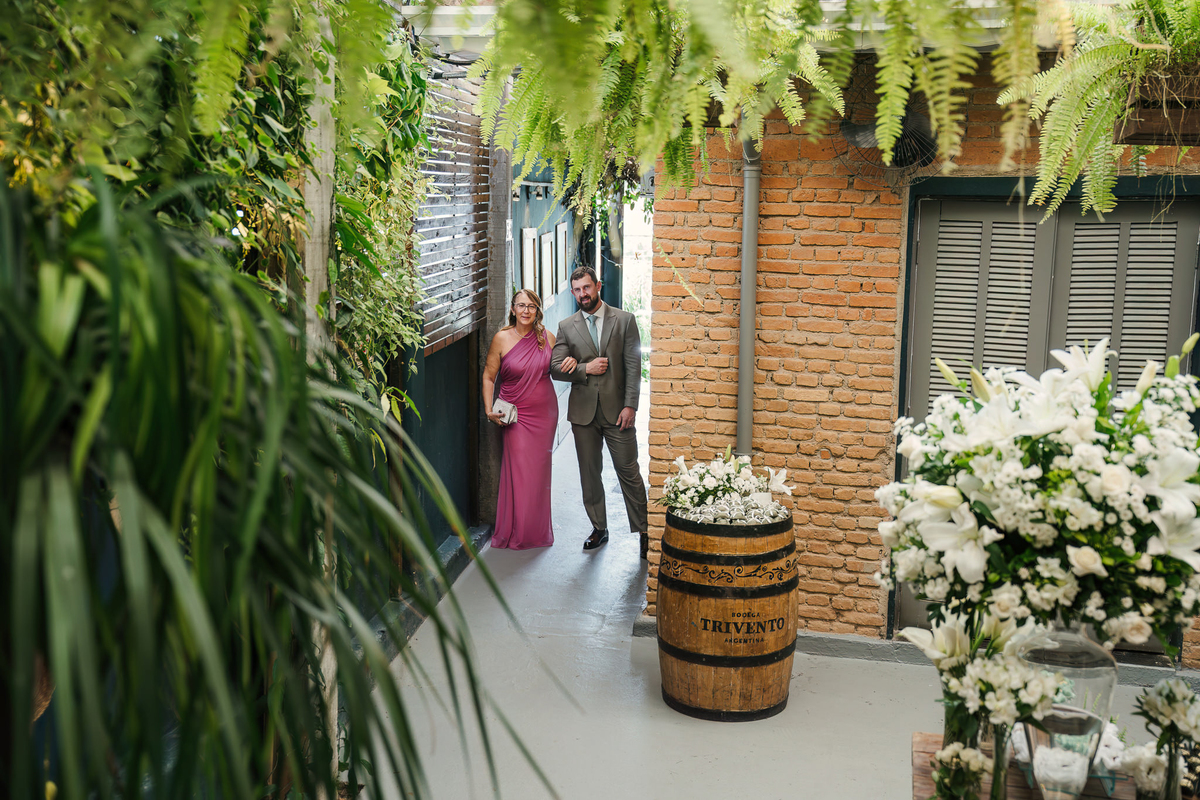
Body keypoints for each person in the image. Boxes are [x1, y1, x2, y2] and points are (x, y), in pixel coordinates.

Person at [550, 267, 649, 557]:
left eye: (587, 287)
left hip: (618, 412)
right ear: (573, 292)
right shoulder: (567, 326)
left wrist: (630, 405)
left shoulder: (625, 320)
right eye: (577, 290)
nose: (583, 294)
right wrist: (585, 368)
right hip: (583, 414)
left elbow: (634, 367)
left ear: (598, 286)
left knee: (629, 472)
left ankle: (645, 531)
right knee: (590, 474)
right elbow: (555, 368)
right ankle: (599, 528)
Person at [483, 290, 558, 549]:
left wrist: (572, 362)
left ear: (537, 311)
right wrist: (488, 409)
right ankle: (517, 530)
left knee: (539, 473)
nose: (526, 311)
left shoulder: (547, 337)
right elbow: (488, 377)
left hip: (545, 414)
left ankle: (535, 530)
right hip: (515, 415)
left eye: (531, 306)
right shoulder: (501, 338)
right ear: (513, 309)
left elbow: (560, 367)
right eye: (521, 306)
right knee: (520, 471)